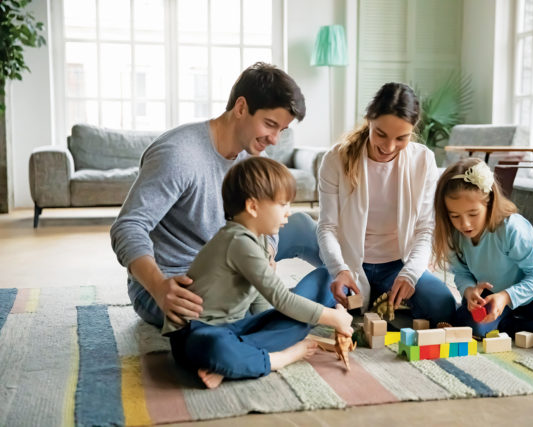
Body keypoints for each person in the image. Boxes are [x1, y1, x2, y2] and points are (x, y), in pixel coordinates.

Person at [111, 62, 322, 328]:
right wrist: (158, 286)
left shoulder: (254, 155)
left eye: (282, 130)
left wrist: (266, 251)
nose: (274, 140)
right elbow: (128, 226)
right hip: (180, 281)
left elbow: (266, 227)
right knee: (246, 319)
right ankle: (300, 316)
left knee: (302, 226)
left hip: (237, 254)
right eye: (270, 124)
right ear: (242, 108)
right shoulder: (178, 154)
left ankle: (357, 288)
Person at [164, 157, 352, 388]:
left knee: (321, 286)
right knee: (218, 348)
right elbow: (281, 299)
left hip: (234, 330)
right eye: (283, 204)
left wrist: (280, 322)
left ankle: (236, 362)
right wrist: (335, 318)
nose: (288, 213)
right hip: (197, 335)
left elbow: (267, 300)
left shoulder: (258, 240)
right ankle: (275, 359)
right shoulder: (238, 242)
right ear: (253, 207)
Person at [316, 82, 456, 323]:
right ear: (369, 120)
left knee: (443, 306)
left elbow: (425, 227)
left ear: (412, 131)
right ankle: (377, 299)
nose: (388, 147)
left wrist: (411, 273)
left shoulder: (423, 160)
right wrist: (339, 269)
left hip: (397, 266)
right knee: (302, 304)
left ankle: (383, 297)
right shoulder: (335, 159)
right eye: (380, 134)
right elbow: (327, 227)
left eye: (401, 138)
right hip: (349, 265)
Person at [432, 158, 533, 351]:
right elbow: (462, 273)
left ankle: (509, 323)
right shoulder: (453, 235)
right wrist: (469, 290)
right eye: (455, 216)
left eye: (473, 214)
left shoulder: (511, 228)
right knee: (469, 326)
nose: (465, 224)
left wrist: (506, 297)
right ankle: (509, 323)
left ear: (488, 202)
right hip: (490, 297)